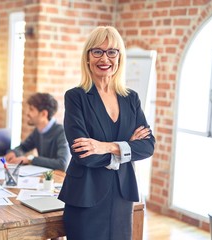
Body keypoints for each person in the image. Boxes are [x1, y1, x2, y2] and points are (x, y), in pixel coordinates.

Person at [58, 26, 156, 240]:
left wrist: (107, 146)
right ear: (87, 57)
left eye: (112, 51)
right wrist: (127, 145)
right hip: (85, 195)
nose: (105, 58)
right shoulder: (76, 97)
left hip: (122, 196)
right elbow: (83, 154)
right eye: (98, 51)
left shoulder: (131, 98)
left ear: (119, 58)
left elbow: (148, 146)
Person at [4, 92, 70, 171]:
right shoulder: (38, 131)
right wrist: (13, 152)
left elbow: (62, 164)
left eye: (31, 109)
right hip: (43, 178)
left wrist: (30, 160)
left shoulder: (62, 132)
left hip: (57, 180)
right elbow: (23, 147)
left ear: (43, 114)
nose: (27, 113)